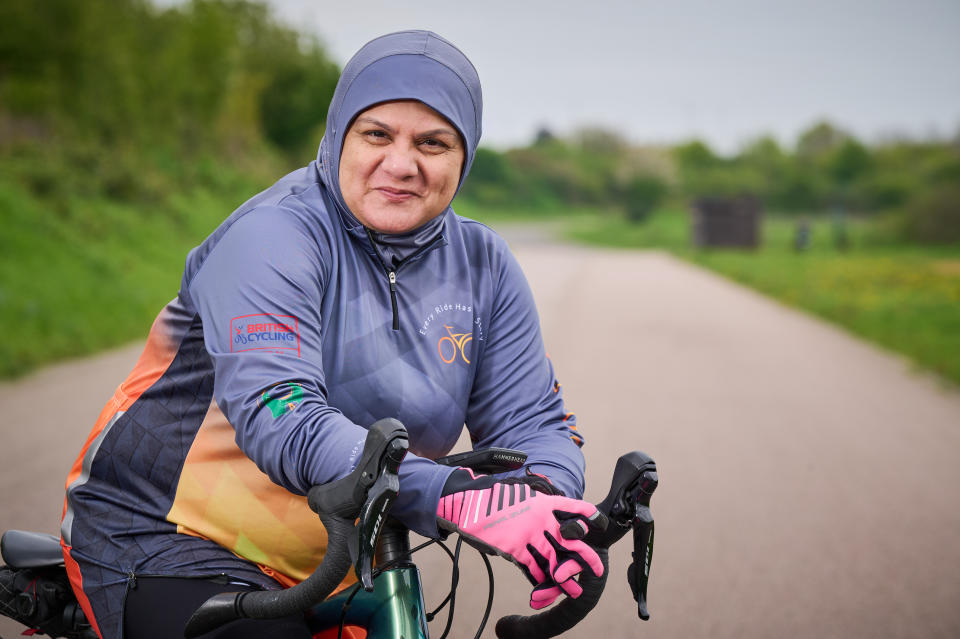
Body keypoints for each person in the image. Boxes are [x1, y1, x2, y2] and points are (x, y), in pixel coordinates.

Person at [61, 30, 602, 639]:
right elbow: (283, 418)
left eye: (433, 142)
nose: (401, 164)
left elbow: (533, 421)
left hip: (344, 562)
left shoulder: (484, 263)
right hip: (166, 538)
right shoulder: (273, 237)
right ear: (339, 133)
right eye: (377, 134)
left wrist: (546, 504)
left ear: (465, 157)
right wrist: (458, 496)